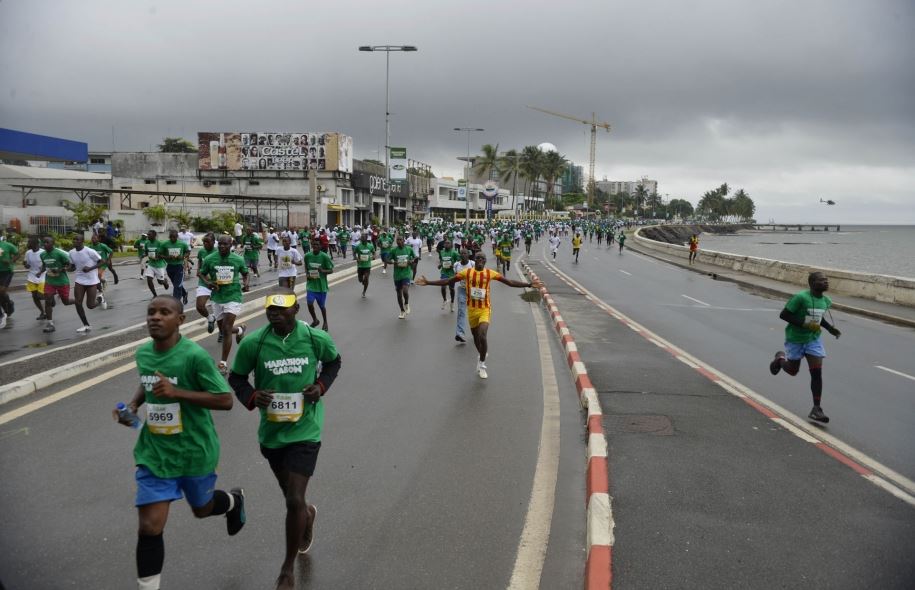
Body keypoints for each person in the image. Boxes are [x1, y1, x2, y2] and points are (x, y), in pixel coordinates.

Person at [114, 295, 246, 590]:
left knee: (202, 508)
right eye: (151, 312)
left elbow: (225, 400)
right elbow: (148, 381)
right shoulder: (144, 354)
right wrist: (134, 406)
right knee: (149, 526)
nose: (155, 317)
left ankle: (234, 501)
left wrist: (177, 393)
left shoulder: (194, 356)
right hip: (155, 452)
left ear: (180, 320)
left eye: (164, 312)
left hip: (194, 450)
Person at [228, 291, 341, 590]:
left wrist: (320, 386)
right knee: (293, 498)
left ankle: (287, 570)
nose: (275, 314)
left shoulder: (315, 338)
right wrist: (252, 396)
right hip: (272, 433)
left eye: (282, 310)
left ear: (296, 309)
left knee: (293, 498)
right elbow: (236, 378)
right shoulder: (255, 343)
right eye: (271, 311)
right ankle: (307, 515)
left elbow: (334, 363)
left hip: (306, 429)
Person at [417, 251, 533, 378]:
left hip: (485, 309)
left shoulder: (489, 273)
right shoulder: (467, 273)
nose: (480, 260)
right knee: (476, 339)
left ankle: (482, 364)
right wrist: (428, 282)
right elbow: (449, 281)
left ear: (485, 261)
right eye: (478, 258)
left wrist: (529, 284)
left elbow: (510, 282)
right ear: (475, 260)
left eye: (483, 258)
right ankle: (481, 355)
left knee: (482, 335)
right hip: (472, 310)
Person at [769, 271, 841, 423]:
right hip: (795, 338)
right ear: (812, 283)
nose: (826, 282)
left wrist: (830, 329)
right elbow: (784, 315)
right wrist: (804, 324)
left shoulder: (826, 301)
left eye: (827, 280)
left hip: (813, 339)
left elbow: (819, 319)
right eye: (822, 280)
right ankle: (780, 359)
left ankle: (816, 408)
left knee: (816, 373)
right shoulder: (801, 298)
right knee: (793, 370)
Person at [198, 235, 250, 375]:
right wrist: (208, 282)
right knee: (223, 330)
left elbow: (246, 273)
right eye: (220, 244)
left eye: (225, 244)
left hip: (233, 296)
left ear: (231, 244)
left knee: (226, 329)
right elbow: (201, 273)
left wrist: (246, 283)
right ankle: (239, 330)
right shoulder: (210, 259)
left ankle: (223, 363)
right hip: (217, 297)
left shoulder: (238, 259)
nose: (222, 246)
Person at [68, 233, 106, 333]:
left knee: (90, 305)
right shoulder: (71, 253)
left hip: (92, 280)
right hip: (80, 280)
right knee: (77, 302)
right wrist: (67, 269)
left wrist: (90, 268)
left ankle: (100, 299)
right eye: (74, 240)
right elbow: (72, 266)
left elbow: (102, 262)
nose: (75, 241)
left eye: (77, 240)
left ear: (82, 241)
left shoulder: (90, 251)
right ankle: (86, 325)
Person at [38, 236, 77, 333]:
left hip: (62, 281)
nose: (45, 244)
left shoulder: (60, 253)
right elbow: (44, 265)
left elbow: (71, 266)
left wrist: (60, 269)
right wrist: (40, 271)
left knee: (66, 302)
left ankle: (78, 301)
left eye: (47, 242)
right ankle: (50, 323)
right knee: (47, 300)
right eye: (44, 242)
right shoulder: (42, 254)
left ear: (52, 243)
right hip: (50, 281)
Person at [303, 238, 334, 330]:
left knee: (322, 306)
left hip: (321, 286)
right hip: (311, 285)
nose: (315, 246)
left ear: (320, 246)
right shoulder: (307, 256)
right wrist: (307, 274)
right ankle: (315, 320)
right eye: (314, 244)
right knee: (309, 303)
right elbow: (306, 266)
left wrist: (323, 270)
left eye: (317, 245)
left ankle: (325, 321)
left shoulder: (325, 257)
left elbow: (331, 270)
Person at [194, 233, 218, 333]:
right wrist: (198, 270)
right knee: (199, 306)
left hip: (217, 284)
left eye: (207, 242)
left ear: (213, 242)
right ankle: (210, 318)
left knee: (219, 312)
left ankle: (222, 332)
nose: (205, 244)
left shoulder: (218, 252)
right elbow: (200, 261)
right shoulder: (201, 251)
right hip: (204, 282)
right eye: (204, 242)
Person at [160, 229, 191, 304]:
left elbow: (188, 252)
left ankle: (175, 302)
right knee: (176, 284)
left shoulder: (182, 244)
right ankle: (184, 293)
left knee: (177, 286)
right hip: (170, 267)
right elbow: (160, 254)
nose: (173, 239)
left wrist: (182, 257)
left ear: (177, 237)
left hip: (179, 266)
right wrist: (167, 257)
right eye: (171, 237)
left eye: (174, 237)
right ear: (169, 237)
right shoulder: (164, 244)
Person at [390, 235, 416, 319]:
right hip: (397, 275)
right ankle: (402, 310)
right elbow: (387, 259)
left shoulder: (409, 249)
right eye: (397, 240)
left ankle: (407, 303)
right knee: (399, 294)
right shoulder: (393, 250)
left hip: (406, 273)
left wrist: (411, 261)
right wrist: (392, 262)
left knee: (405, 290)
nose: (398, 241)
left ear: (403, 241)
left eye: (400, 240)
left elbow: (415, 257)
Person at [22, 236, 47, 322]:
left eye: (29, 242)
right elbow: (26, 263)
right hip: (31, 276)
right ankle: (42, 312)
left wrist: (40, 272)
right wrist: (26, 265)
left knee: (40, 295)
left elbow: (46, 264)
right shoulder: (28, 252)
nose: (28, 244)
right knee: (34, 296)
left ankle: (50, 299)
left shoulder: (43, 252)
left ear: (35, 244)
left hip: (42, 276)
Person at [452, 249, 474, 343]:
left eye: (465, 253)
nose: (463, 255)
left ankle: (476, 331)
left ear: (468, 255)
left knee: (473, 313)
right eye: (462, 253)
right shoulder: (456, 265)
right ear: (460, 255)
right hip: (462, 290)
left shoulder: (473, 264)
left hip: (473, 291)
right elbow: (454, 277)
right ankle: (460, 333)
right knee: (461, 311)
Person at [142, 230, 171, 298]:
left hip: (159, 265)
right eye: (148, 234)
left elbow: (166, 254)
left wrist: (159, 257)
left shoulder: (160, 243)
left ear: (154, 236)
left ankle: (164, 281)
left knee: (160, 282)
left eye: (149, 235)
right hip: (151, 264)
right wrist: (144, 254)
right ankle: (154, 295)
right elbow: (146, 252)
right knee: (149, 279)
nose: (148, 236)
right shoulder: (147, 243)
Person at [0, 231, 19, 329]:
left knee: (1, 291)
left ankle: (8, 306)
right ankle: (7, 306)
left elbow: (17, 253)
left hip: (6, 271)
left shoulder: (7, 245)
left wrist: (10, 261)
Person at [437, 239, 460, 311]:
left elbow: (459, 261)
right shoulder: (442, 252)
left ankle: (452, 303)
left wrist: (453, 265)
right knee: (443, 287)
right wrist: (440, 265)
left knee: (451, 289)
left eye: (448, 243)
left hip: (452, 273)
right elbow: (441, 260)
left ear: (451, 245)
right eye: (445, 243)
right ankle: (445, 300)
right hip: (444, 272)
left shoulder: (454, 253)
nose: (446, 244)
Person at [353, 232, 375, 298]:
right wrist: (357, 258)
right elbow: (354, 253)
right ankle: (363, 281)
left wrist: (373, 256)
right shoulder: (358, 246)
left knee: (366, 278)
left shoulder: (370, 246)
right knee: (360, 280)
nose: (361, 238)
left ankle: (364, 292)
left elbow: (374, 252)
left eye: (363, 237)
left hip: (367, 265)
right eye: (361, 237)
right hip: (360, 266)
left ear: (366, 238)